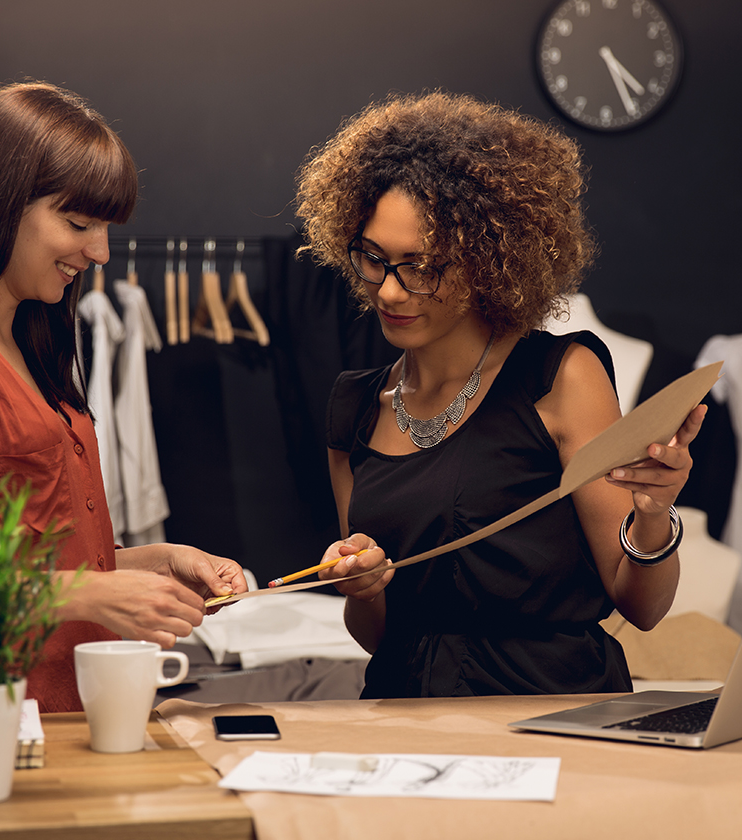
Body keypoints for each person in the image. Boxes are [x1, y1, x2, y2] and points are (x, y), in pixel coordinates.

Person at [294, 91, 706, 698]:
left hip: (554, 713)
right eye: (373, 259)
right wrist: (364, 588)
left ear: (488, 261)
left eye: (420, 266)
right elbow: (379, 635)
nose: (389, 291)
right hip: (408, 720)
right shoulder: (354, 407)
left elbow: (640, 605)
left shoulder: (562, 377)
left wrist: (652, 515)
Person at [0, 81, 247, 712]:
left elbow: (39, 554)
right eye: (78, 223)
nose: (100, 251)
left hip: (69, 717)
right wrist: (89, 594)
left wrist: (155, 563)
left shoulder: (31, 339)